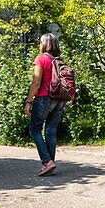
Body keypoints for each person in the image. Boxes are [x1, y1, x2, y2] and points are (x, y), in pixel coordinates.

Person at [22, 33, 66, 177]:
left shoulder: (41, 58)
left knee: (35, 130)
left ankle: (47, 162)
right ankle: (50, 164)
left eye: (40, 42)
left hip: (44, 97)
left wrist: (28, 101)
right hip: (59, 98)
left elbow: (36, 82)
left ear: (44, 44)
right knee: (50, 131)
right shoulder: (60, 60)